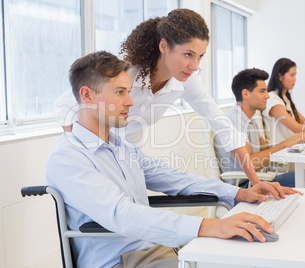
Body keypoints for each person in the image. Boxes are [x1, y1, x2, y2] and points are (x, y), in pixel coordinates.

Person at [46, 51, 301, 268]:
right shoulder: (68, 158)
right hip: (122, 260)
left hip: (153, 247)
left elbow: (172, 177)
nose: (131, 101)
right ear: (87, 96)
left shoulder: (121, 145)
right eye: (120, 92)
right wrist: (210, 226)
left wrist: (236, 193)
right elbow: (121, 214)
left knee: (245, 255)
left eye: (129, 91)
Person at [54, 8, 262, 185]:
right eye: (188, 54)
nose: (195, 65)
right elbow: (65, 106)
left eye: (200, 56)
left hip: (131, 159)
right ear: (164, 46)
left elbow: (222, 124)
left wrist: (255, 182)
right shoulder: (126, 73)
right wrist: (89, 154)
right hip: (99, 158)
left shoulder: (186, 80)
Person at [215, 68, 305, 189]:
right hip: (245, 185)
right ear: (246, 94)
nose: (267, 96)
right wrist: (285, 143)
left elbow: (266, 148)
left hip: (255, 179)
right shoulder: (234, 122)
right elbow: (251, 163)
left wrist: (292, 142)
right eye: (262, 91)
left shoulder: (249, 120)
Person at [261, 58, 305, 183]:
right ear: (280, 76)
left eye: (295, 75)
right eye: (292, 75)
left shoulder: (285, 98)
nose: (295, 79)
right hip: (283, 159)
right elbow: (297, 128)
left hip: (293, 153)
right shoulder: (273, 100)